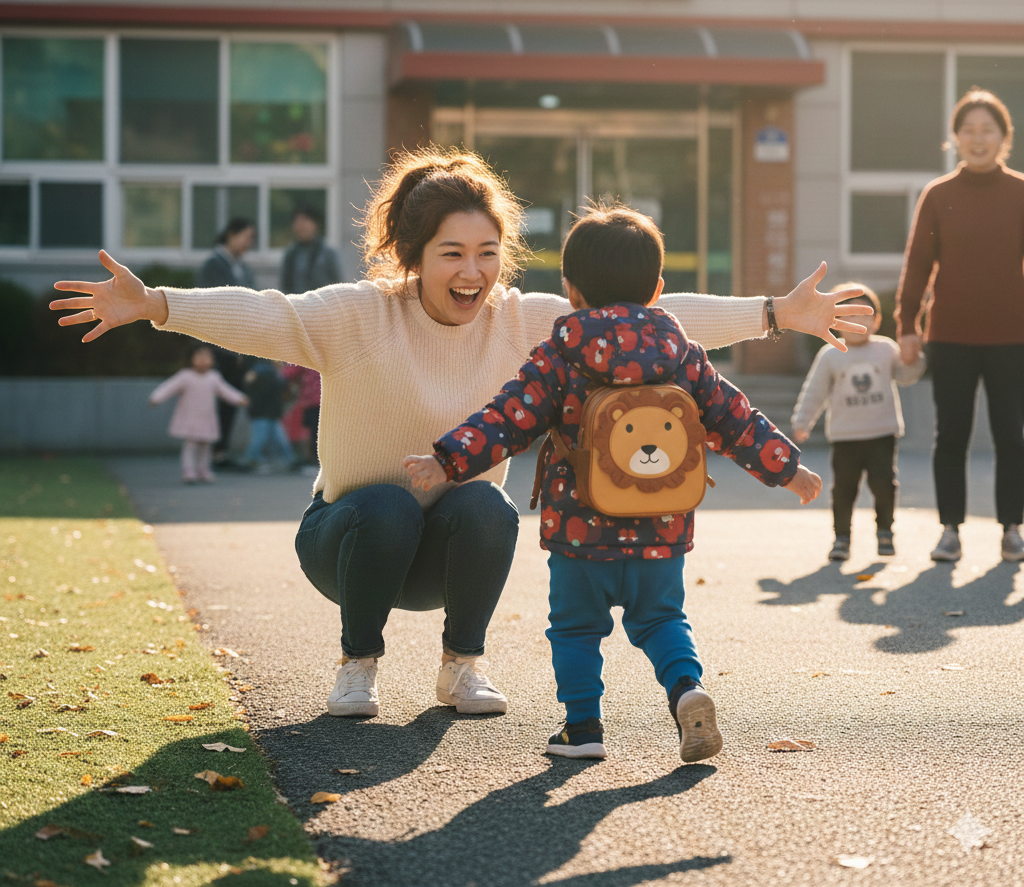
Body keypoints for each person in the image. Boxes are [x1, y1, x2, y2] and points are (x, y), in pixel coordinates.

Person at [50, 146, 870, 722]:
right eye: (451, 254)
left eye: (486, 252)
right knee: (385, 504)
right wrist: (157, 303)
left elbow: (651, 321)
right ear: (413, 254)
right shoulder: (355, 313)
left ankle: (460, 667)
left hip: (452, 552)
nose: (471, 272)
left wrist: (773, 314)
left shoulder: (527, 323)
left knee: (486, 505)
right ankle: (357, 666)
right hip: (346, 540)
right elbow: (265, 314)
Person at [405, 205, 821, 762]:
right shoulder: (683, 356)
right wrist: (788, 470)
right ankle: (686, 690)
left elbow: (509, 417)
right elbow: (734, 419)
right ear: (658, 291)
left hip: (580, 532)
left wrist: (447, 460)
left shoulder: (560, 354)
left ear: (571, 290)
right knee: (663, 619)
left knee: (575, 630)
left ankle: (583, 730)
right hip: (662, 526)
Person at [896, 88, 1024, 563]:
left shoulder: (1020, 192)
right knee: (951, 435)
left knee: (1013, 435)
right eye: (968, 130)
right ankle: (950, 530)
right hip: (949, 335)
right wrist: (907, 325)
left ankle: (1012, 528)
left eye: (987, 130)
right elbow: (917, 265)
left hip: (1013, 336)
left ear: (1003, 137)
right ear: (955, 138)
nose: (977, 138)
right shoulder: (938, 194)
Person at [792, 285, 926, 561]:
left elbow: (905, 374)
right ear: (835, 321)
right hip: (845, 436)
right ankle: (841, 538)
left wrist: (915, 360)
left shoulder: (886, 349)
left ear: (876, 321)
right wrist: (803, 421)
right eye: (849, 315)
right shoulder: (830, 354)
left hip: (882, 433)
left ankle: (885, 532)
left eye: (865, 314)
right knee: (844, 489)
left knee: (884, 484)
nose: (857, 322)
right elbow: (814, 391)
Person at [198, 217, 258, 465]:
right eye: (246, 236)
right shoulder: (214, 264)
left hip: (238, 344)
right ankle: (211, 451)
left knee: (230, 398)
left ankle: (220, 450)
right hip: (218, 342)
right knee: (217, 400)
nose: (248, 242)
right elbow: (211, 303)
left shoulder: (241, 266)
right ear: (231, 235)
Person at [148, 345, 248, 484]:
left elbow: (226, 391)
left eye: (207, 357)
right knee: (190, 444)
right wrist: (156, 398)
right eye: (199, 357)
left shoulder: (214, 377)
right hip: (190, 417)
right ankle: (188, 471)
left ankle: (203, 470)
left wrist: (240, 398)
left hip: (207, 418)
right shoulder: (185, 376)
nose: (203, 360)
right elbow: (169, 387)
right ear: (191, 359)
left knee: (206, 445)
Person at [241, 359, 296, 473]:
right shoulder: (269, 373)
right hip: (264, 412)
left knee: (277, 439)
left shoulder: (256, 372)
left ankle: (289, 461)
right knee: (261, 439)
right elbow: (280, 388)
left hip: (267, 412)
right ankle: (250, 461)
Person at [280, 204, 344, 293]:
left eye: (305, 221)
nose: (301, 226)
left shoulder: (327, 253)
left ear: (316, 224)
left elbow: (338, 284)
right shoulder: (291, 254)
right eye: (297, 222)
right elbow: (285, 286)